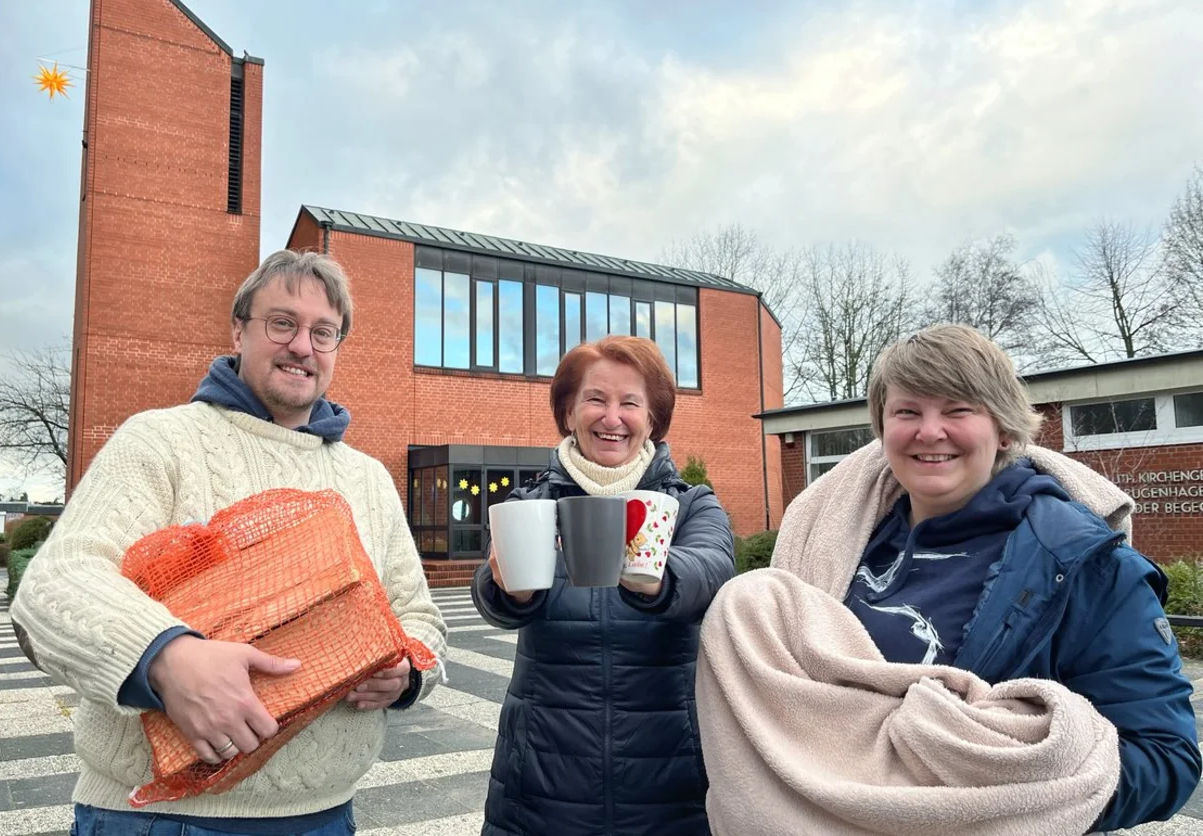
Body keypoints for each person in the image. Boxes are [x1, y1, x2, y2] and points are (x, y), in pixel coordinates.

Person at [10, 249, 447, 836]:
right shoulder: (159, 440)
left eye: (324, 333)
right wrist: (164, 658)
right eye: (282, 323)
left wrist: (408, 673)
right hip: (157, 819)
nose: (302, 346)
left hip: (324, 815)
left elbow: (418, 614)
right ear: (238, 330)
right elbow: (53, 587)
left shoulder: (367, 476)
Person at [712, 324, 1199, 833]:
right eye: (907, 411)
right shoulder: (831, 547)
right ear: (883, 428)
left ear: (1004, 430)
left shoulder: (1086, 567)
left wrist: (984, 788)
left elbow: (1166, 757)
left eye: (957, 410)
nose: (929, 431)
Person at [471, 335, 736, 836]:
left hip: (670, 775)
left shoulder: (692, 505)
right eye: (595, 399)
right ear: (568, 412)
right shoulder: (532, 503)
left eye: (629, 403)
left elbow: (713, 569)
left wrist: (655, 578)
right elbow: (489, 585)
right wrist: (509, 591)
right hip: (542, 779)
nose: (611, 418)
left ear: (652, 420)